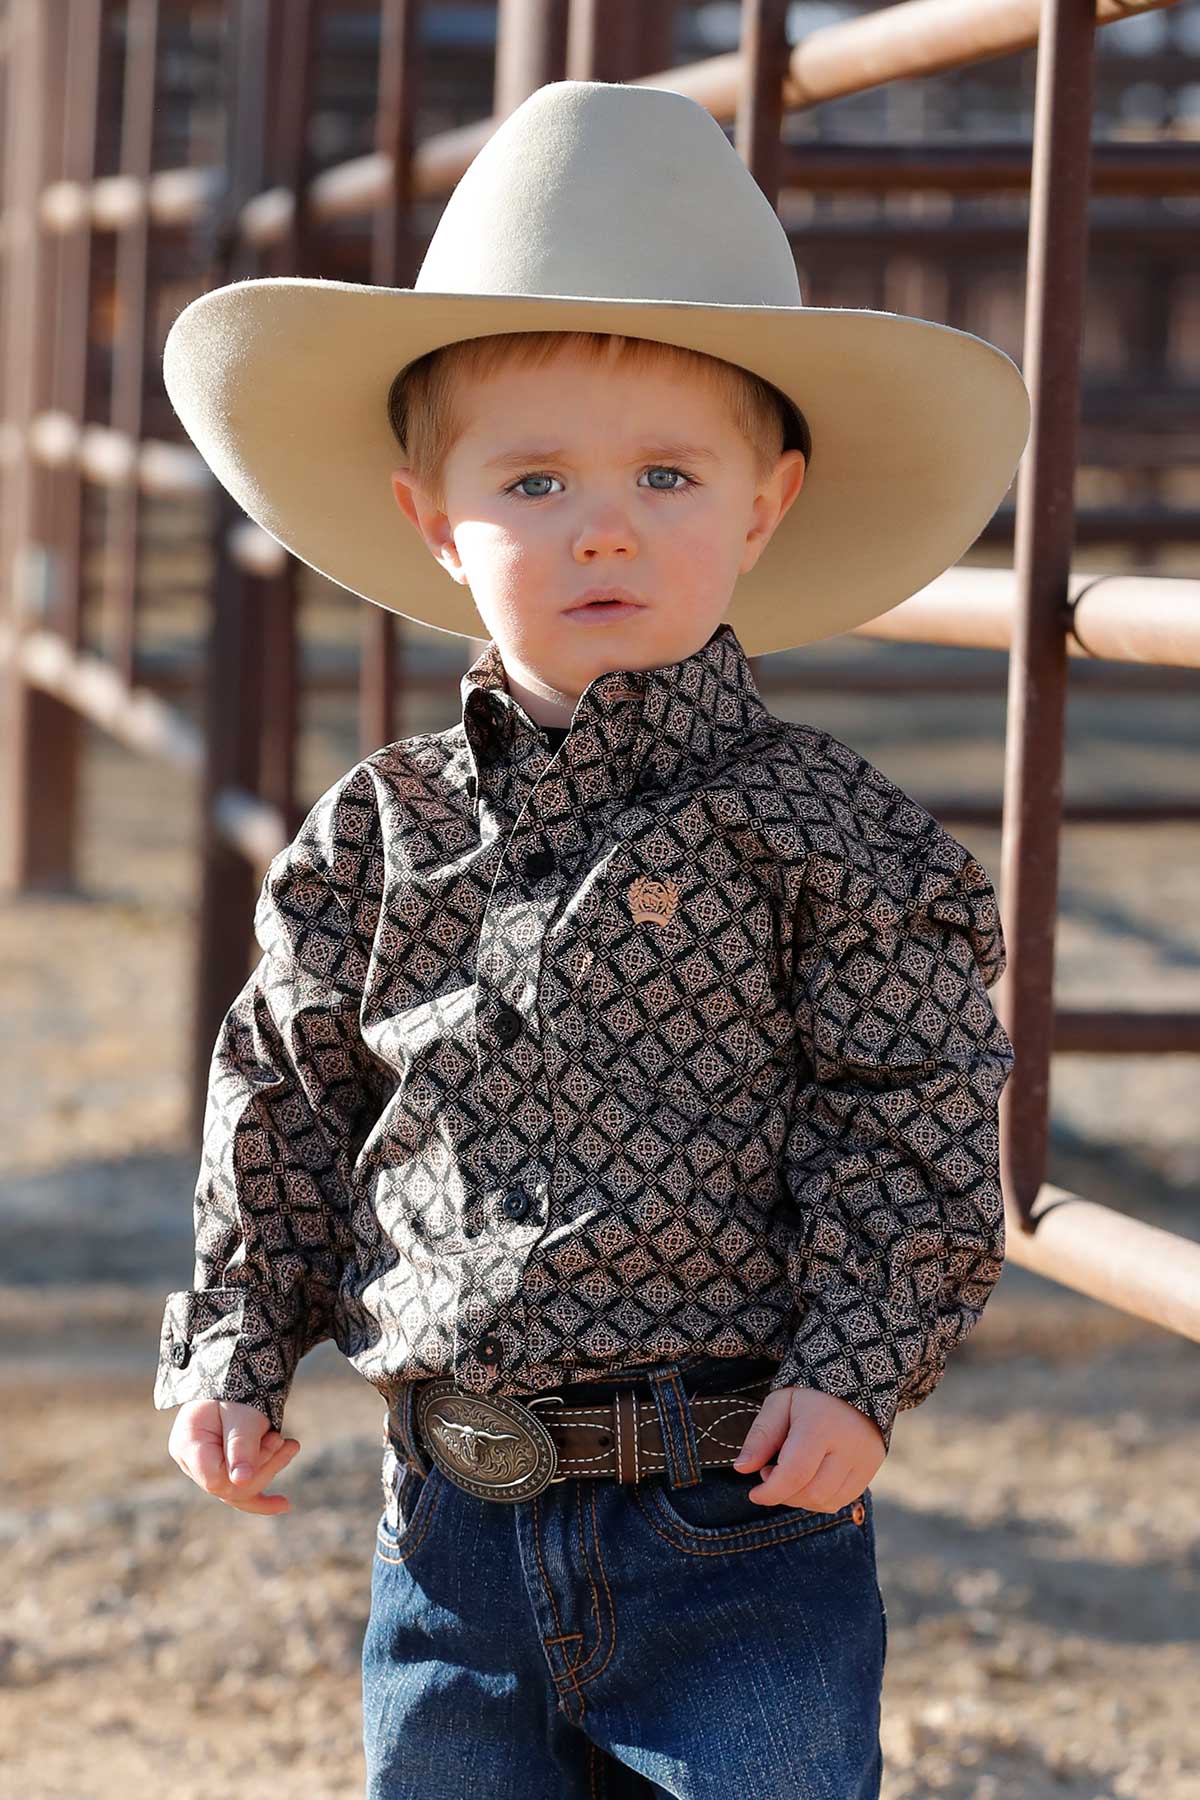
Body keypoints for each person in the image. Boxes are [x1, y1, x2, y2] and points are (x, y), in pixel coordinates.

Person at [153, 80, 1028, 1799]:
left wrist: (860, 1368)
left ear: (763, 507)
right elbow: (287, 1086)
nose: (603, 524)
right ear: (435, 520)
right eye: (535, 478)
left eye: (665, 475)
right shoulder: (381, 830)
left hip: (737, 1516)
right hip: (452, 1522)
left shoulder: (835, 838)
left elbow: (914, 1110)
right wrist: (239, 1336)